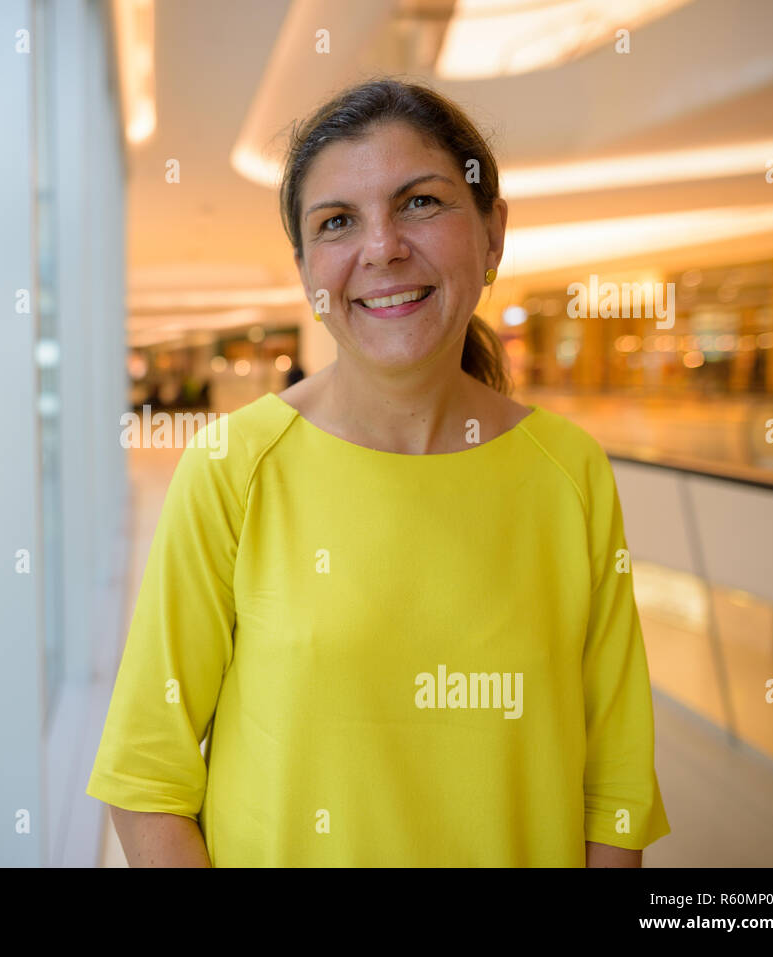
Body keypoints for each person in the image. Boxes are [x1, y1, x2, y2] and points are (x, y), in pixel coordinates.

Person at [86, 77, 669, 867]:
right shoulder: (234, 470)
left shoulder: (570, 473)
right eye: (338, 221)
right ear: (305, 270)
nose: (383, 247)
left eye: (421, 203)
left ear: (492, 235)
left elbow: (617, 787)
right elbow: (145, 779)